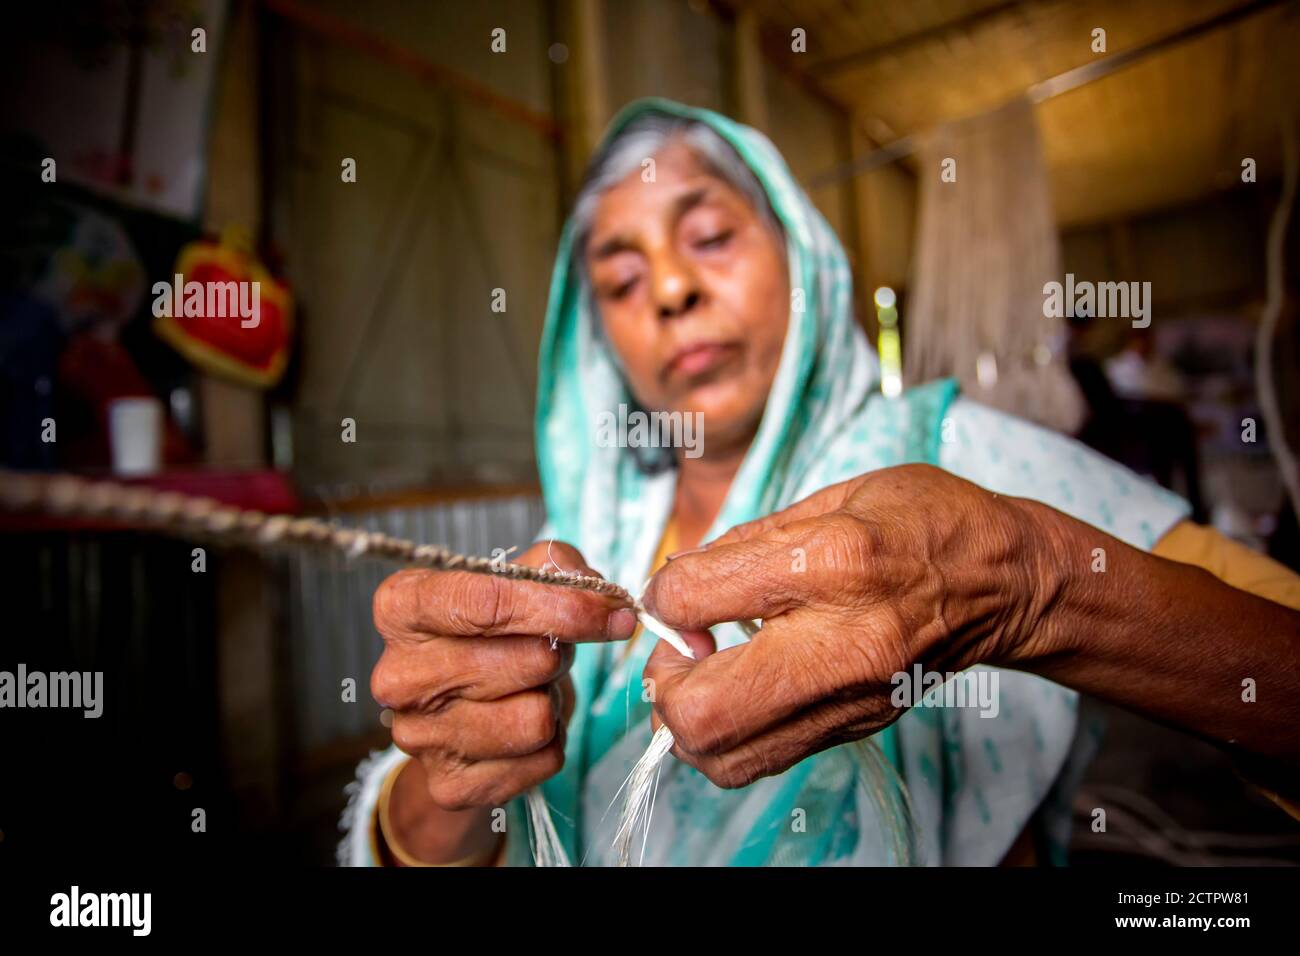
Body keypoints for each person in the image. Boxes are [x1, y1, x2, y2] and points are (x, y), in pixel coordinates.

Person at [339, 99, 1299, 867]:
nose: (671, 290)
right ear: (601, 346)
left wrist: (1033, 585)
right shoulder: (573, 552)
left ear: (803, 260)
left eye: (710, 235)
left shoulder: (967, 470)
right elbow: (453, 825)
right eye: (624, 282)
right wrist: (435, 796)